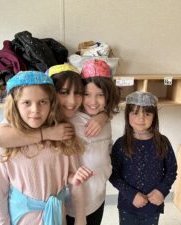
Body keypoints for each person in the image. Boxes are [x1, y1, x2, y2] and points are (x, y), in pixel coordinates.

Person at [0, 70, 92, 225]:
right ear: (15, 105)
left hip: (57, 216)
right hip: (21, 219)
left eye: (42, 102)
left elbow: (75, 182)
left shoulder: (63, 136)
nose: (35, 110)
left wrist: (80, 219)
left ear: (51, 104)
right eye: (26, 102)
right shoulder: (7, 143)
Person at [109, 91, 177, 225]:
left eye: (147, 114)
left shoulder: (163, 142)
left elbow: (171, 170)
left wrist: (161, 191)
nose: (141, 118)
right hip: (127, 204)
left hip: (153, 205)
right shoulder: (121, 144)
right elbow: (113, 174)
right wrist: (130, 194)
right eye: (135, 113)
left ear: (154, 116)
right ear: (127, 115)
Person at [65, 59, 119, 225]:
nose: (93, 102)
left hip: (98, 195)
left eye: (100, 95)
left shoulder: (105, 118)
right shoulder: (70, 120)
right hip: (73, 201)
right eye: (87, 94)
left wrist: (103, 117)